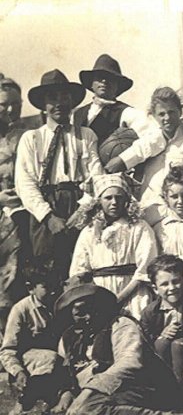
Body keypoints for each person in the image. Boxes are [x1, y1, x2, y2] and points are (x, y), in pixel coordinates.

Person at [14, 69, 104, 280]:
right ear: (43, 105)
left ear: (72, 101)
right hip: (46, 209)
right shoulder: (31, 138)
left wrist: (82, 213)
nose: (59, 103)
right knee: (47, 272)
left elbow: (96, 177)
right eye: (52, 98)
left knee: (84, 269)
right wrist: (48, 217)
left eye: (64, 97)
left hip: (81, 206)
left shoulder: (86, 135)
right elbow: (25, 183)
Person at [53, 280, 183, 414]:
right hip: (99, 394)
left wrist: (89, 392)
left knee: (88, 408)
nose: (88, 316)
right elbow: (64, 371)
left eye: (92, 309)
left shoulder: (120, 324)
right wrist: (66, 393)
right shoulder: (68, 337)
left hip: (140, 388)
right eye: (80, 313)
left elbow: (129, 362)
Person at [69, 173, 157, 319]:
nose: (114, 202)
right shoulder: (89, 231)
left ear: (126, 200)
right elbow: (79, 270)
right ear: (99, 201)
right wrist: (98, 299)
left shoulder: (139, 227)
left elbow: (146, 268)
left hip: (134, 293)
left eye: (119, 197)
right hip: (98, 295)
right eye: (108, 198)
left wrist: (119, 298)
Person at [106, 86, 183, 210]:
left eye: (171, 112)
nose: (167, 118)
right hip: (149, 206)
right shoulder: (148, 140)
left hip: (179, 208)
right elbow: (135, 153)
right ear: (154, 116)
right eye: (161, 114)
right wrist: (120, 160)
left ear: (180, 112)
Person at [0, 264, 65, 414]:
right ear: (31, 288)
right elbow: (8, 350)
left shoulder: (61, 306)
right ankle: (25, 402)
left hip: (57, 361)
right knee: (50, 358)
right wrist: (18, 372)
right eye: (46, 286)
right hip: (30, 363)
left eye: (56, 285)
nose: (53, 291)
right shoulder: (21, 310)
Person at [73, 54, 155, 150]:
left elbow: (151, 137)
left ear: (117, 86)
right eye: (99, 76)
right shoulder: (77, 114)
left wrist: (123, 157)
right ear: (92, 83)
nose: (104, 81)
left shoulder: (128, 113)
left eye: (110, 78)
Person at [140, 255, 183, 385]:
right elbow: (146, 342)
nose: (172, 288)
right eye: (164, 284)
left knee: (179, 344)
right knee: (164, 342)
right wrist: (162, 336)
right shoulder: (150, 313)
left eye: (176, 281)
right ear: (155, 289)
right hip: (162, 358)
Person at [0, 77, 30, 333]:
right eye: (3, 105)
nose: (11, 110)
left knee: (15, 275)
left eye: (16, 104)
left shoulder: (28, 135)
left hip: (20, 217)